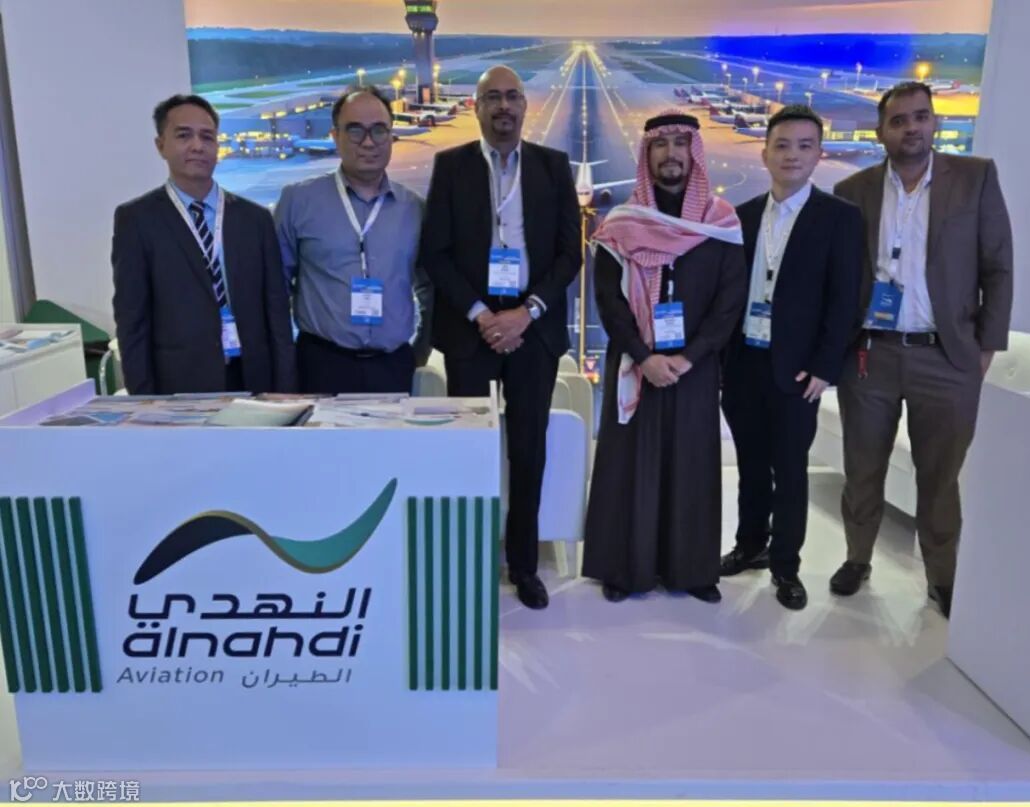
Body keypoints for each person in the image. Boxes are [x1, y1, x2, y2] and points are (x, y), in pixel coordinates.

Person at [831, 82, 1013, 618]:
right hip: (871, 355)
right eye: (899, 120)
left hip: (947, 356)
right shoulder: (852, 190)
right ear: (881, 131)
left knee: (940, 478)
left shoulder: (976, 178)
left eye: (921, 117)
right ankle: (857, 558)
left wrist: (985, 348)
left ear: (935, 122)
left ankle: (943, 577)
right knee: (862, 468)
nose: (911, 127)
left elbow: (998, 266)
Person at [421, 66, 581, 610]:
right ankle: (467, 557)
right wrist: (482, 315)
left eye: (513, 96)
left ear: (525, 106)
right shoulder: (451, 166)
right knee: (467, 451)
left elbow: (570, 254)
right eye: (493, 97)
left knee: (529, 451)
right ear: (477, 107)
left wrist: (525, 313)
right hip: (472, 331)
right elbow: (435, 252)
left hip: (533, 330)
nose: (504, 106)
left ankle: (524, 565)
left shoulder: (553, 167)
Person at [582, 110, 746, 604]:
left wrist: (689, 357)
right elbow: (608, 300)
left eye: (680, 143)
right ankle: (624, 569)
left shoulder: (721, 223)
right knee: (630, 465)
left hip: (694, 369)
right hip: (636, 365)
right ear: (647, 154)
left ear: (693, 152)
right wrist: (644, 356)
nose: (671, 154)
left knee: (691, 465)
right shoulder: (622, 224)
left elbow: (729, 302)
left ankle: (691, 570)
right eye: (660, 144)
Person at [719, 105, 862, 610]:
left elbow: (846, 300)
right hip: (744, 362)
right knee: (751, 465)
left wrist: (825, 367)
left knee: (790, 470)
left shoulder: (840, 218)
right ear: (765, 154)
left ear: (819, 154)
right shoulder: (742, 216)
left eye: (804, 146)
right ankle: (749, 545)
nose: (792, 155)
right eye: (781, 145)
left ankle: (786, 566)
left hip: (798, 370)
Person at [112, 94, 297, 395]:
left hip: (253, 379)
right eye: (184, 135)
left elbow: (277, 312)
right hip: (180, 386)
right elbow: (132, 321)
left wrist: (285, 388)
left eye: (207, 136)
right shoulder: (137, 221)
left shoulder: (255, 220)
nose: (197, 146)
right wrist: (144, 401)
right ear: (161, 145)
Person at [275, 87, 433, 394]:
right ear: (335, 136)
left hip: (393, 365)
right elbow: (276, 288)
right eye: (355, 130)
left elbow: (428, 288)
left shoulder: (414, 208)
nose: (369, 142)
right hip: (321, 364)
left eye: (379, 130)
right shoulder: (298, 202)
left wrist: (420, 350)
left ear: (391, 136)